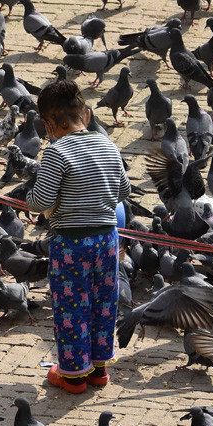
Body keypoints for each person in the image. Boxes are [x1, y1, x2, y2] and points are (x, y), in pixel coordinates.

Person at [26, 79, 129, 394]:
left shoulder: (56, 152)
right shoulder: (107, 143)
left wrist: (30, 202)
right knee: (103, 301)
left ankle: (72, 375)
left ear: (48, 125)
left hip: (72, 243)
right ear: (85, 114)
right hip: (108, 240)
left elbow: (41, 201)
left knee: (72, 306)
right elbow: (124, 191)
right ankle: (98, 370)